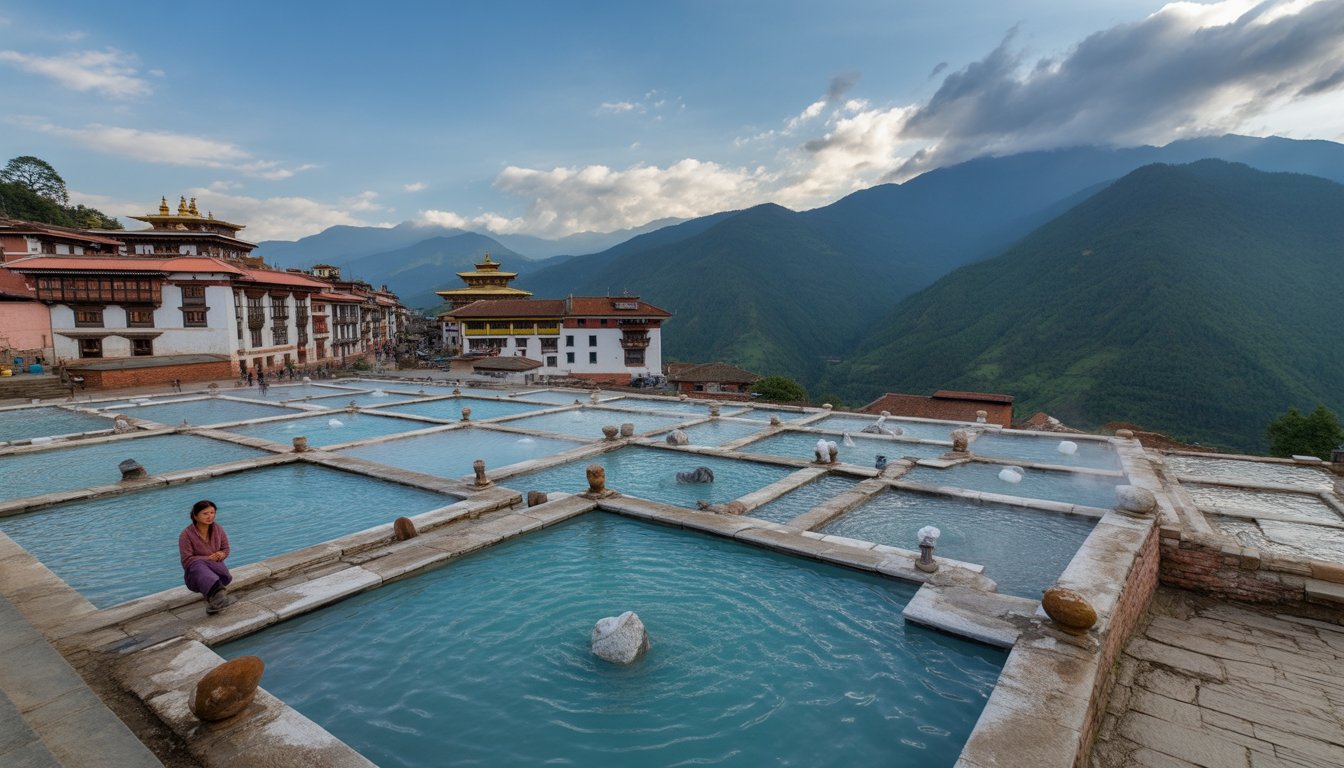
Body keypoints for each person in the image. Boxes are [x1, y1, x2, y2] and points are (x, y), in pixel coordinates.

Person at [178, 499, 236, 614]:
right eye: (205, 514)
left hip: (219, 573)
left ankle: (215, 604)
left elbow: (226, 548)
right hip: (196, 576)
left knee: (203, 565)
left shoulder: (218, 529)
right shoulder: (185, 535)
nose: (210, 516)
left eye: (212, 513)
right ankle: (219, 596)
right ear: (195, 516)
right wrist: (207, 558)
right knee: (197, 564)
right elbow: (186, 560)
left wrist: (221, 554)